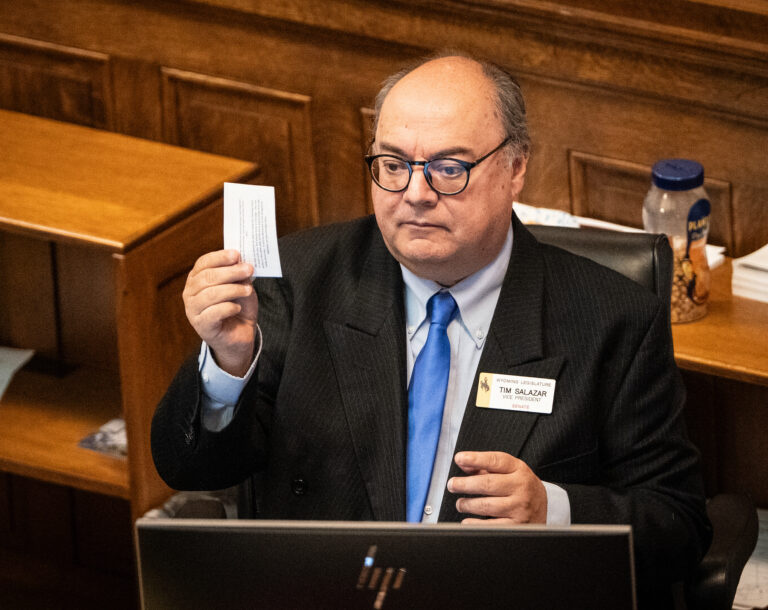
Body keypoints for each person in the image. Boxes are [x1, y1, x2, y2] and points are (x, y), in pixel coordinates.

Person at [152, 52, 711, 608]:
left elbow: (678, 527)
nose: (416, 193)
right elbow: (190, 468)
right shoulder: (300, 280)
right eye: (393, 165)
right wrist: (227, 365)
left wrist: (553, 512)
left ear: (515, 169)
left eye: (448, 168)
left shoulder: (611, 319)